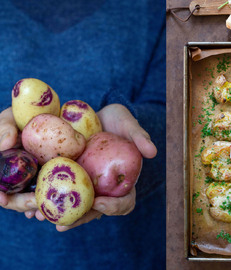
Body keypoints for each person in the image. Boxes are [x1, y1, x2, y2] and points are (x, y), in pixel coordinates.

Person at [0, 1, 165, 269]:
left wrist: (131, 136)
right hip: (13, 256)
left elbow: (177, 108)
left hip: (131, 253)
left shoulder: (153, 7)